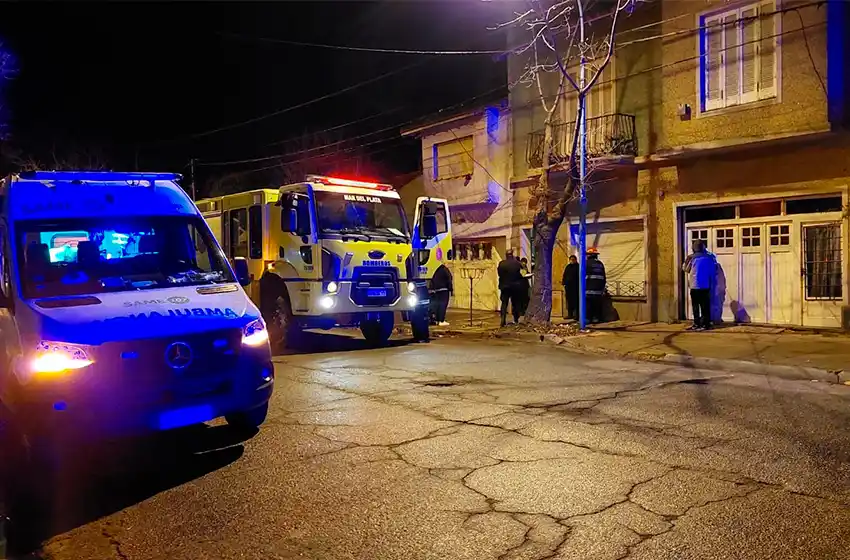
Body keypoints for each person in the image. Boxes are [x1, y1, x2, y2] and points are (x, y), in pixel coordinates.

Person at [683, 239, 716, 330]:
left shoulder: (691, 258)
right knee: (705, 306)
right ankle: (706, 324)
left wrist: (687, 261)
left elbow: (685, 269)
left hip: (694, 285)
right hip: (705, 285)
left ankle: (696, 324)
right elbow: (713, 270)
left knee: (695, 306)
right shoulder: (709, 258)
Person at [497, 249, 523, 327]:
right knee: (515, 303)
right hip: (515, 286)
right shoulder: (517, 263)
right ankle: (516, 319)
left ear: (506, 255)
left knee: (504, 303)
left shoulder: (502, 264)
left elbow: (499, 274)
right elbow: (523, 273)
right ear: (512, 254)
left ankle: (503, 320)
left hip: (505, 286)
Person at [585, 248, 606, 324]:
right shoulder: (600, 264)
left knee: (588, 305)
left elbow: (582, 276)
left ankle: (588, 319)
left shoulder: (586, 263)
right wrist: (602, 288)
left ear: (589, 255)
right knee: (597, 305)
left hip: (588, 289)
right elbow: (604, 277)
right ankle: (596, 318)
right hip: (598, 290)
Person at [562, 255, 579, 320]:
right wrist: (564, 283)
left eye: (573, 259)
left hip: (576, 287)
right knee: (569, 301)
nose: (572, 261)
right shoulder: (568, 267)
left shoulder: (578, 267)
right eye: (571, 260)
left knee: (576, 301)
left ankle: (577, 315)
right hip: (569, 287)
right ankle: (570, 314)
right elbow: (565, 275)